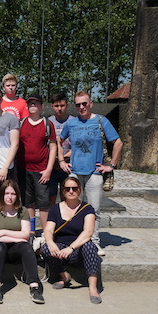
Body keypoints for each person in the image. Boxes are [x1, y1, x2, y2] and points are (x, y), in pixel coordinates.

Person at [58, 91, 123, 256]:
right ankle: (74, 239)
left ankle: (93, 242)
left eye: (84, 104)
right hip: (74, 172)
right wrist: (61, 161)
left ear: (91, 103)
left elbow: (118, 142)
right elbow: (57, 141)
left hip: (94, 172)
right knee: (71, 208)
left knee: (93, 210)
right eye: (78, 104)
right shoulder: (71, 124)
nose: (81, 107)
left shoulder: (101, 121)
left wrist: (111, 165)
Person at [40, 176, 102, 303]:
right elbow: (48, 229)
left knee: (90, 246)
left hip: (79, 249)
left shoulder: (87, 208)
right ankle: (64, 276)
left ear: (80, 190)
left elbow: (88, 232)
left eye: (74, 188)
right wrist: (51, 243)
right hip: (61, 249)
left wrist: (71, 248)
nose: (71, 191)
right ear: (63, 191)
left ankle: (93, 287)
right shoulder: (55, 209)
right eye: (67, 189)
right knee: (46, 248)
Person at [0, 179, 44, 304]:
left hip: (14, 250)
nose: (10, 197)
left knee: (26, 247)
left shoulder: (23, 211)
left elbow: (26, 235)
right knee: (0, 246)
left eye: (13, 194)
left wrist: (3, 232)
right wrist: (17, 237)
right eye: (7, 193)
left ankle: (34, 286)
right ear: (1, 194)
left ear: (17, 195)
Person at [16, 94, 57, 233]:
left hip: (41, 171)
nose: (33, 106)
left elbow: (53, 147)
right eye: (30, 103)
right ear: (27, 106)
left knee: (44, 204)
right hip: (23, 169)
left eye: (36, 103)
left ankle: (46, 233)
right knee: (28, 203)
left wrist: (49, 169)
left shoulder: (47, 124)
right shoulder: (21, 123)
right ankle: (31, 231)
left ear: (41, 106)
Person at [48, 93, 75, 204]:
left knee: (67, 192)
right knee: (51, 194)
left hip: (68, 162)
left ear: (67, 105)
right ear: (52, 106)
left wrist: (64, 157)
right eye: (56, 106)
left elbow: (77, 144)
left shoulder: (73, 122)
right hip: (52, 163)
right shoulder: (48, 122)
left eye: (62, 106)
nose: (59, 109)